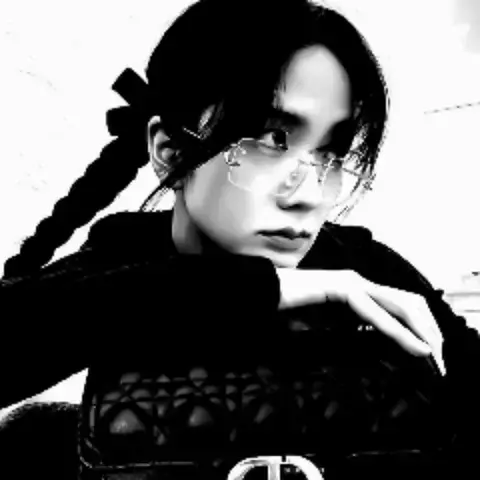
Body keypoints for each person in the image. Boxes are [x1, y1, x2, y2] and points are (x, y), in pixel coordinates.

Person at [0, 0, 479, 478]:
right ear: (170, 152)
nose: (308, 194)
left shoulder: (364, 269)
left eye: (332, 153)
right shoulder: (124, 260)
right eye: (272, 140)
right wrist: (264, 286)